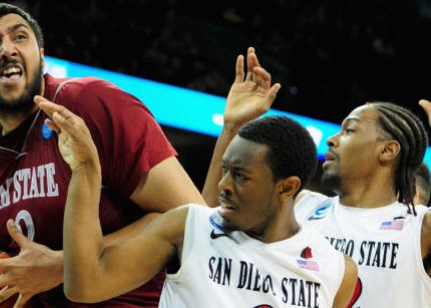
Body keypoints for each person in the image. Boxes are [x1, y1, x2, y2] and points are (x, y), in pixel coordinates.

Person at [0, 1, 209, 307]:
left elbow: (192, 219)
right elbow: (32, 266)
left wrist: (63, 265)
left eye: (20, 37)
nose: (8, 49)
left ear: (41, 56)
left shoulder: (90, 102)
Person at [36, 94, 358, 306]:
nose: (224, 184)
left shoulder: (337, 270)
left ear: (287, 188)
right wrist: (86, 171)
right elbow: (86, 285)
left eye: (241, 176)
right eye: (225, 170)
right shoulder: (187, 226)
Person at [206, 95, 431, 306]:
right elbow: (207, 224)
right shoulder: (299, 204)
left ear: (388, 150)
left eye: (349, 130)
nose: (332, 140)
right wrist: (232, 128)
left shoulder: (420, 227)